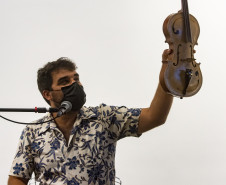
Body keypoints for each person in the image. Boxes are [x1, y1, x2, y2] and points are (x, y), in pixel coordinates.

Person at [8, 49, 174, 185]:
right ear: (47, 94)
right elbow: (17, 178)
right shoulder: (32, 132)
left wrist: (169, 69)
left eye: (76, 78)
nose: (75, 84)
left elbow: (155, 116)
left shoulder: (104, 117)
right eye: (65, 81)